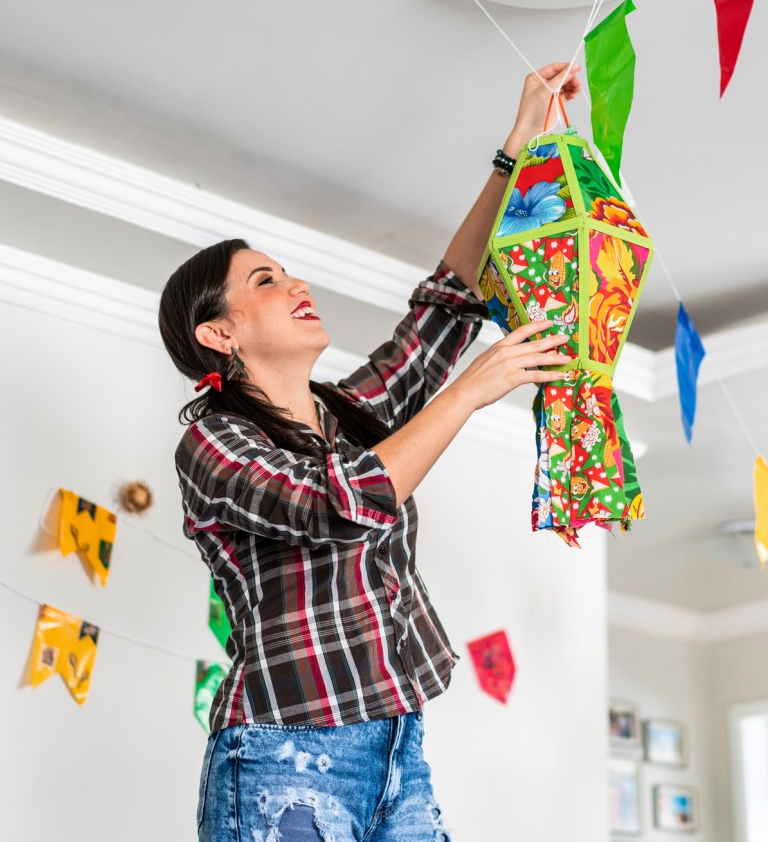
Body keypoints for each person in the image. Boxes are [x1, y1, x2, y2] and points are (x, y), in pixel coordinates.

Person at [158, 62, 581, 842]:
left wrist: (516, 151)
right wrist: (468, 393)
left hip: (396, 744)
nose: (295, 282)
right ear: (220, 332)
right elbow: (338, 501)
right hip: (282, 750)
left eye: (288, 270)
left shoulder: (350, 415)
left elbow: (446, 305)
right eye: (265, 280)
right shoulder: (211, 443)